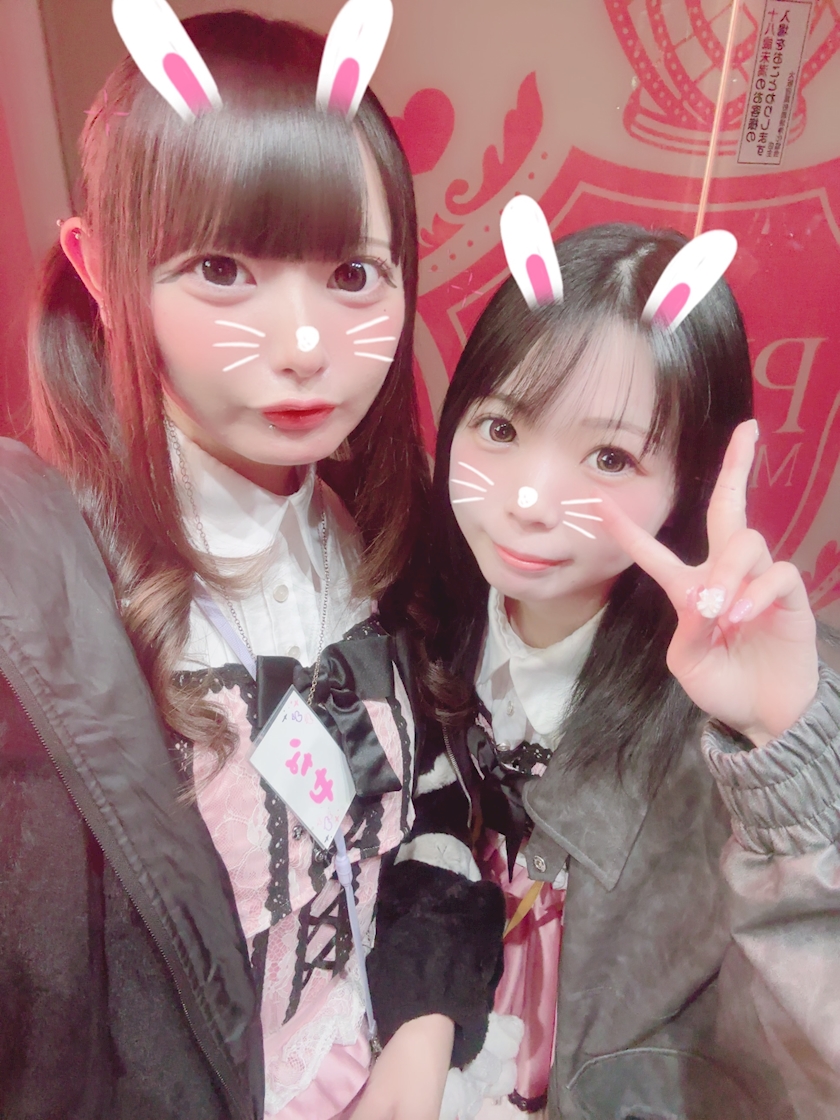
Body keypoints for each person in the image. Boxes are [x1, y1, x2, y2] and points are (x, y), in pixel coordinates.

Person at [2, 10, 503, 1119]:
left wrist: (418, 1044)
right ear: (99, 269)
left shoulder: (385, 530)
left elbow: (426, 818)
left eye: (354, 273)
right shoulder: (46, 611)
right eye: (222, 268)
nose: (305, 346)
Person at [429, 221, 840, 1119]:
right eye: (501, 426)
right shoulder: (406, 625)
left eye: (610, 457)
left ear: (688, 481)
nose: (530, 502)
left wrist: (788, 756)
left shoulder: (748, 714)